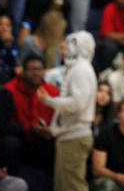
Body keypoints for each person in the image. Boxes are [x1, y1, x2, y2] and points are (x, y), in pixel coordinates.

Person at [36, 31, 98, 191]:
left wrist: (49, 101)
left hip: (75, 136)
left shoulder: (81, 70)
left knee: (72, 186)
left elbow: (77, 103)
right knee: (63, 186)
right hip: (69, 134)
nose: (65, 50)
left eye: (70, 46)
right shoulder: (78, 68)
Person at [0, 55, 58, 188]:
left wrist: (52, 131)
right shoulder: (8, 91)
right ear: (22, 72)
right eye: (31, 69)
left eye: (39, 69)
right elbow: (3, 126)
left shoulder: (53, 93)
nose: (36, 72)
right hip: (20, 139)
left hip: (43, 140)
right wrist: (30, 129)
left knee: (57, 144)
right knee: (10, 143)